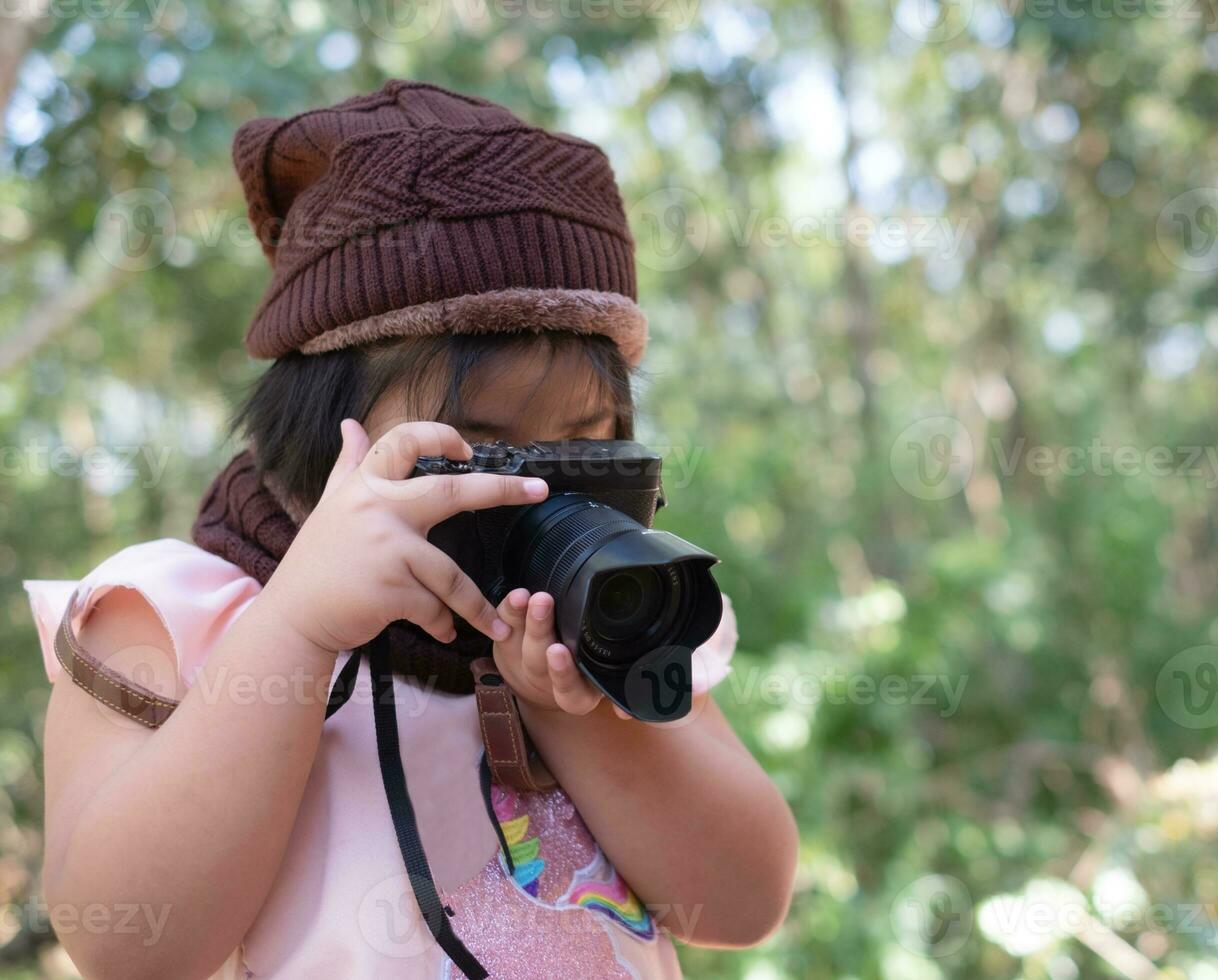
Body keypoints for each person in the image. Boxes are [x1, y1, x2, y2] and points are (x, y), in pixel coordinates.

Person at [25, 80, 797, 980]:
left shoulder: (617, 609)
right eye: (483, 451)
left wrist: (567, 702)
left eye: (583, 448)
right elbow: (127, 944)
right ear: (318, 427)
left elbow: (744, 901)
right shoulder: (177, 613)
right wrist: (299, 629)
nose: (533, 496)